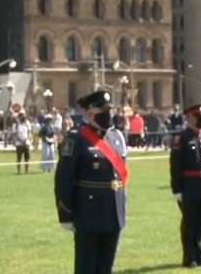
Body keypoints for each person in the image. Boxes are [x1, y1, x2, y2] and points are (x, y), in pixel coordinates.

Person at [55, 91, 127, 274]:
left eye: (108, 110)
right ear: (88, 113)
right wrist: (66, 214)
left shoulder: (113, 138)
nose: (107, 114)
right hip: (89, 214)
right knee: (86, 267)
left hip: (113, 212)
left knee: (106, 266)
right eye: (101, 110)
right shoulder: (76, 139)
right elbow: (64, 179)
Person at [170, 104, 201, 268]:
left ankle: (199, 254)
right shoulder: (182, 138)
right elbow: (175, 165)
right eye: (198, 117)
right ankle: (189, 257)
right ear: (190, 118)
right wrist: (177, 189)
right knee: (190, 223)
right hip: (190, 187)